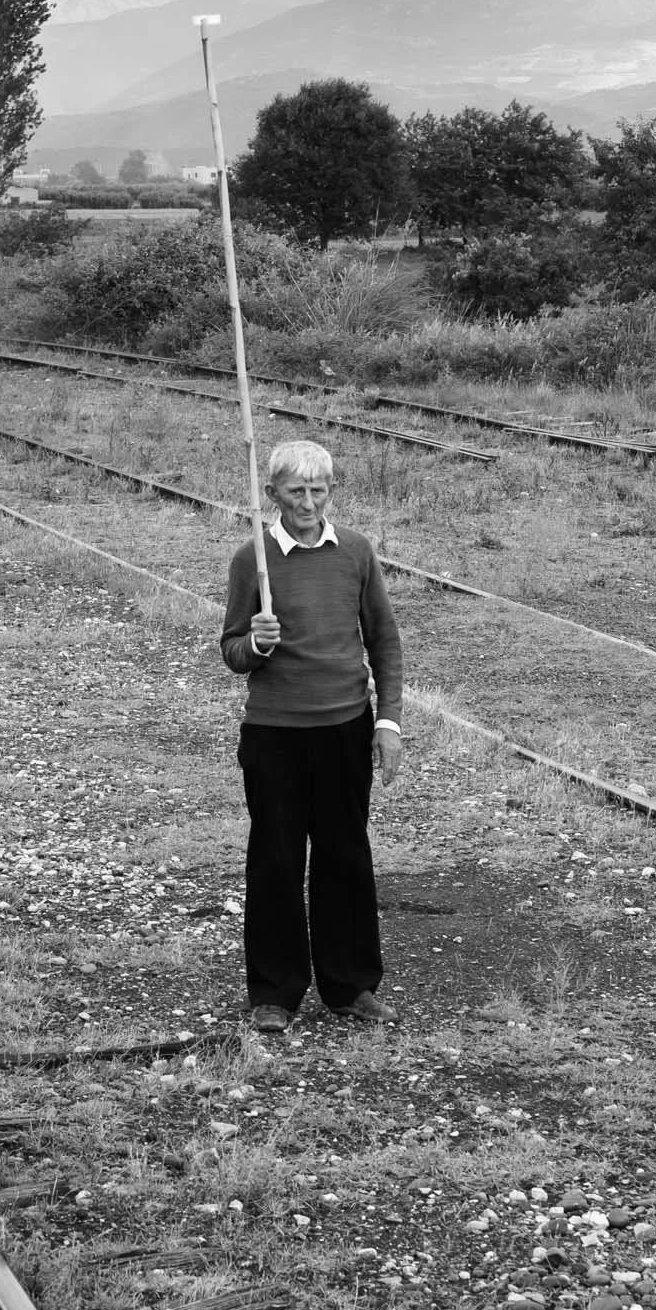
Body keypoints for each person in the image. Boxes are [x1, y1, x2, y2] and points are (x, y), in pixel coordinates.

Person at [218, 439, 404, 1034]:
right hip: (274, 733)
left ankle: (350, 986)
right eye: (295, 491)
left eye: (318, 490)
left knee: (345, 856)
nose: (308, 502)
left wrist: (387, 721)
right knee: (274, 859)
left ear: (330, 491)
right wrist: (257, 643)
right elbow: (231, 652)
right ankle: (275, 993)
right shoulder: (255, 560)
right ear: (272, 494)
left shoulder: (354, 551)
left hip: (345, 728)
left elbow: (384, 641)